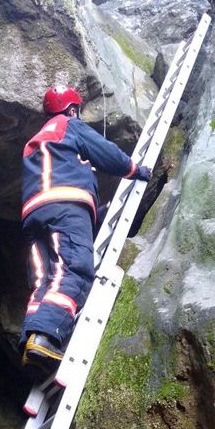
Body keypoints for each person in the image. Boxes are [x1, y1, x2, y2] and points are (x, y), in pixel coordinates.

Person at [19, 85, 151, 375]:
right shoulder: (69, 125)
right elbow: (106, 153)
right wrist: (136, 170)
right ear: (72, 109)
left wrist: (96, 215)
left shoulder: (35, 143)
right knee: (74, 270)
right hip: (66, 206)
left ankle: (32, 339)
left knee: (45, 281)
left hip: (33, 217)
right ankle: (46, 336)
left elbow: (48, 186)